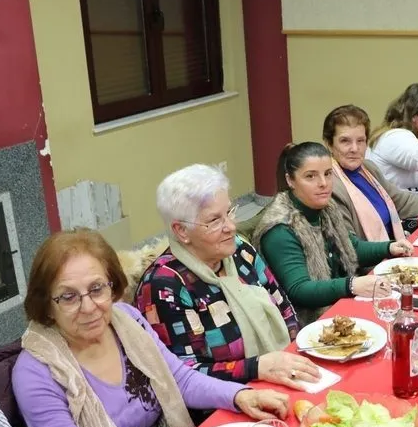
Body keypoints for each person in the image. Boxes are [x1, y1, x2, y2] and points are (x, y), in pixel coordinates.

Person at [12, 229, 290, 427]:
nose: (88, 307)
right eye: (68, 296)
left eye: (97, 289)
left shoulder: (126, 320)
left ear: (112, 285)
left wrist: (240, 395)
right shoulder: (36, 371)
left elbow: (179, 379)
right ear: (47, 304)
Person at [136, 164, 319, 390]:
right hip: (225, 399)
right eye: (215, 221)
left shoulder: (240, 250)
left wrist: (296, 354)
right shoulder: (164, 286)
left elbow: (284, 308)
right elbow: (185, 375)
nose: (231, 226)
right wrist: (257, 368)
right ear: (181, 231)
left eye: (230, 212)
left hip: (284, 373)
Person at [254, 142, 414, 323]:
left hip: (341, 307)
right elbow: (299, 290)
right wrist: (351, 285)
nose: (323, 183)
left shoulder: (326, 207)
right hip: (309, 323)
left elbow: (350, 248)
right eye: (310, 176)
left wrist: (389, 247)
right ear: (290, 180)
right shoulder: (280, 228)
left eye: (328, 174)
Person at [324, 104, 418, 241]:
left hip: (393, 246)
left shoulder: (368, 168)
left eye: (360, 141)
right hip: (375, 260)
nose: (354, 148)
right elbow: (350, 247)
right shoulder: (330, 184)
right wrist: (391, 248)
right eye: (345, 141)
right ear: (329, 144)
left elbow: (402, 203)